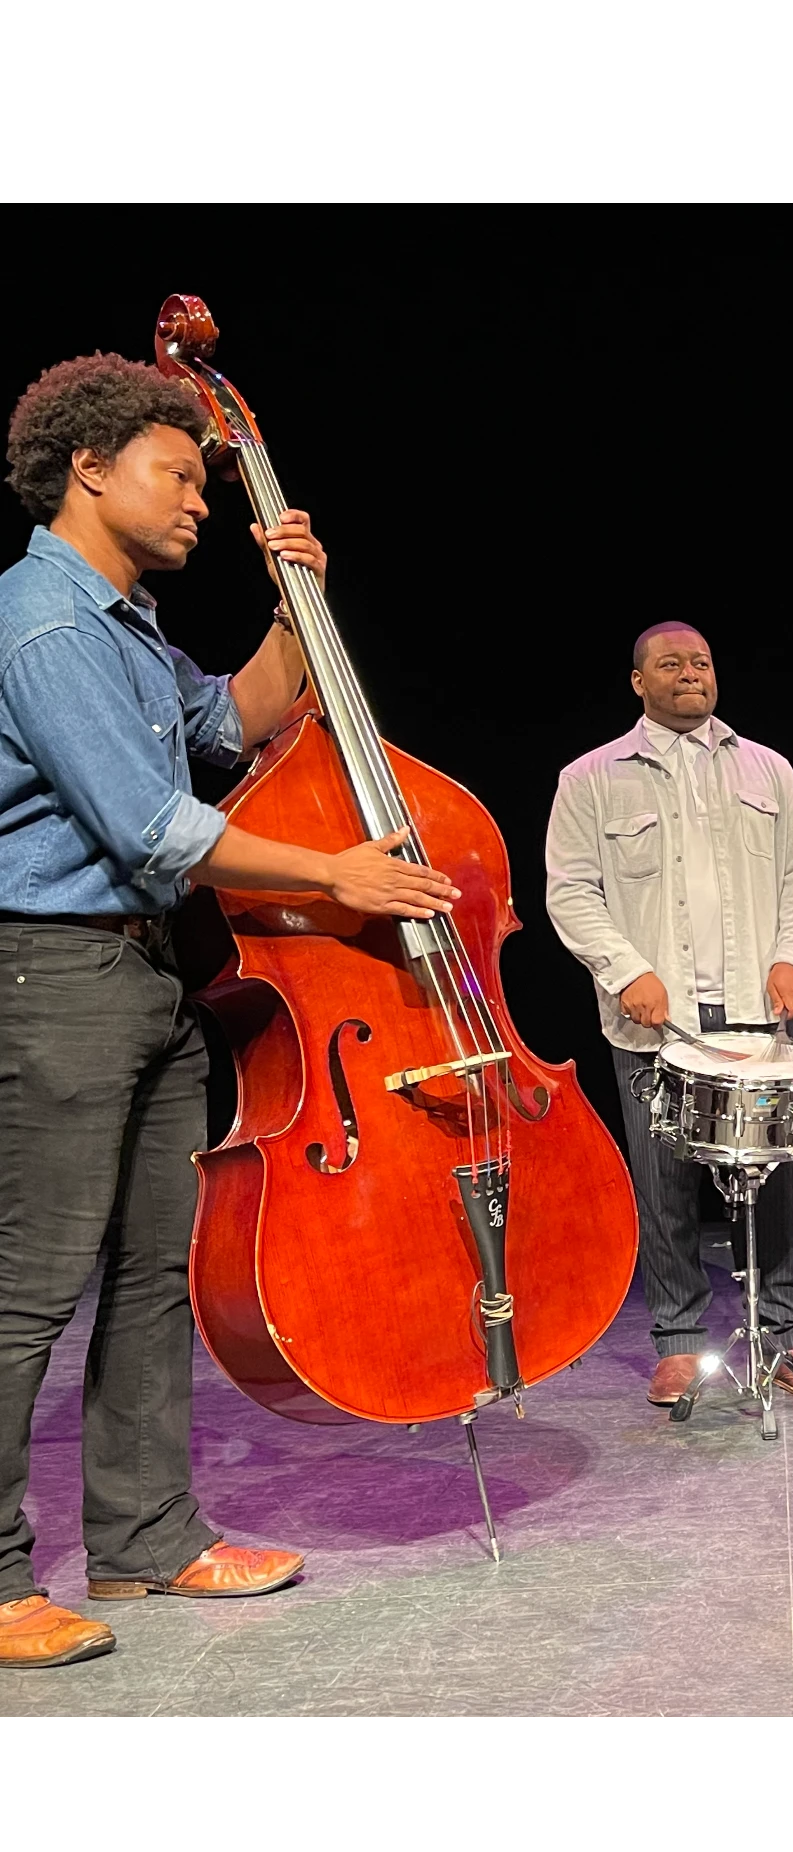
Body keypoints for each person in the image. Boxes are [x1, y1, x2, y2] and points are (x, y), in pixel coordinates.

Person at [0, 353, 458, 1669]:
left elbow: (228, 725)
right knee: (31, 1288)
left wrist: (289, 606)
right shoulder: (43, 624)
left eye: (205, 477)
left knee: (153, 1277)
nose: (200, 498)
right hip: (55, 975)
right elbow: (155, 824)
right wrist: (336, 872)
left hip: (146, 974)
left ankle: (145, 1537)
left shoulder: (128, 622)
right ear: (88, 468)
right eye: (178, 471)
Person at [546, 621, 793, 1408]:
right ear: (638, 682)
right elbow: (571, 890)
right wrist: (626, 970)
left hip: (755, 1011)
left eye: (702, 661)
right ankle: (677, 1342)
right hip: (655, 1018)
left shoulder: (766, 769)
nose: (690, 673)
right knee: (664, 1183)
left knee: (776, 1181)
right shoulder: (592, 777)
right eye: (670, 663)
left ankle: (783, 1342)